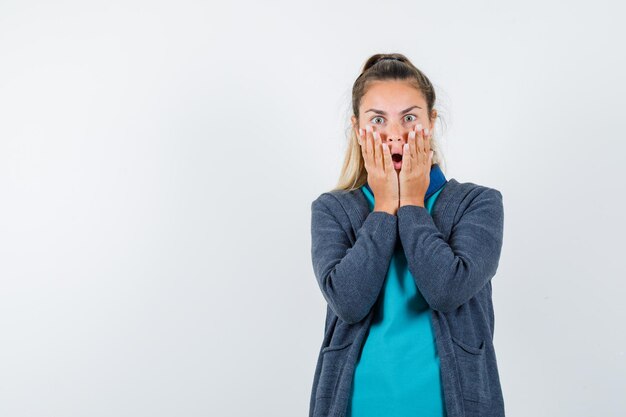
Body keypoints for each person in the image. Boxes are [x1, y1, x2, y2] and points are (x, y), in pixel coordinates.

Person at [308, 53, 506, 417]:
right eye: (378, 119)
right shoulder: (333, 210)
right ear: (357, 128)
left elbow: (447, 291)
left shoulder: (478, 204)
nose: (395, 134)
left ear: (431, 121)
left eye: (410, 117)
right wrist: (384, 206)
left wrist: (412, 203)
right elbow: (348, 302)